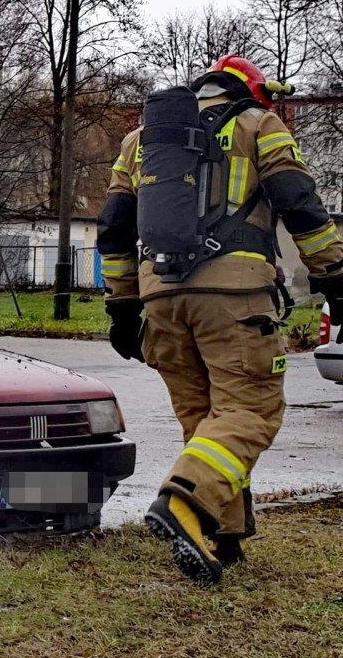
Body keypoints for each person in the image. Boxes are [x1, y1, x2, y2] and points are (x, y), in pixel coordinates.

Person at [98, 56, 343, 585]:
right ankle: (183, 505)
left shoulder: (139, 140)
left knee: (206, 419)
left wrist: (121, 307)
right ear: (253, 91)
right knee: (250, 410)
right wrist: (334, 273)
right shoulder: (259, 124)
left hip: (159, 299)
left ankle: (221, 536)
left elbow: (114, 228)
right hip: (233, 299)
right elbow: (300, 205)